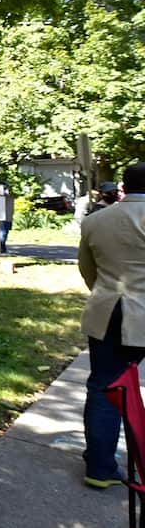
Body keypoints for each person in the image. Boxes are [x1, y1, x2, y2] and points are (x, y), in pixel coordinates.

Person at [79, 162, 145, 488]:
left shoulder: (95, 221)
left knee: (104, 385)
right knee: (124, 384)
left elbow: (87, 269)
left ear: (123, 188)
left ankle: (100, 466)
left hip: (106, 309)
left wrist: (104, 293)